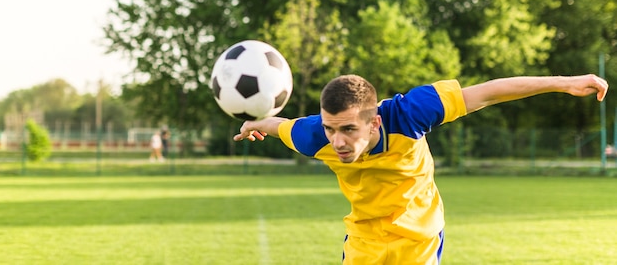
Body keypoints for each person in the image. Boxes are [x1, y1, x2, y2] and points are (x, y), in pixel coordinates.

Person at [233, 73, 608, 265]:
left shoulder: (410, 113)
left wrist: (565, 83)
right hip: (364, 242)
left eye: (348, 129)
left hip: (419, 240)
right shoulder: (314, 136)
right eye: (331, 129)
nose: (338, 141)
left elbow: (490, 92)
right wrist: (254, 125)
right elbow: (277, 124)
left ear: (374, 123)